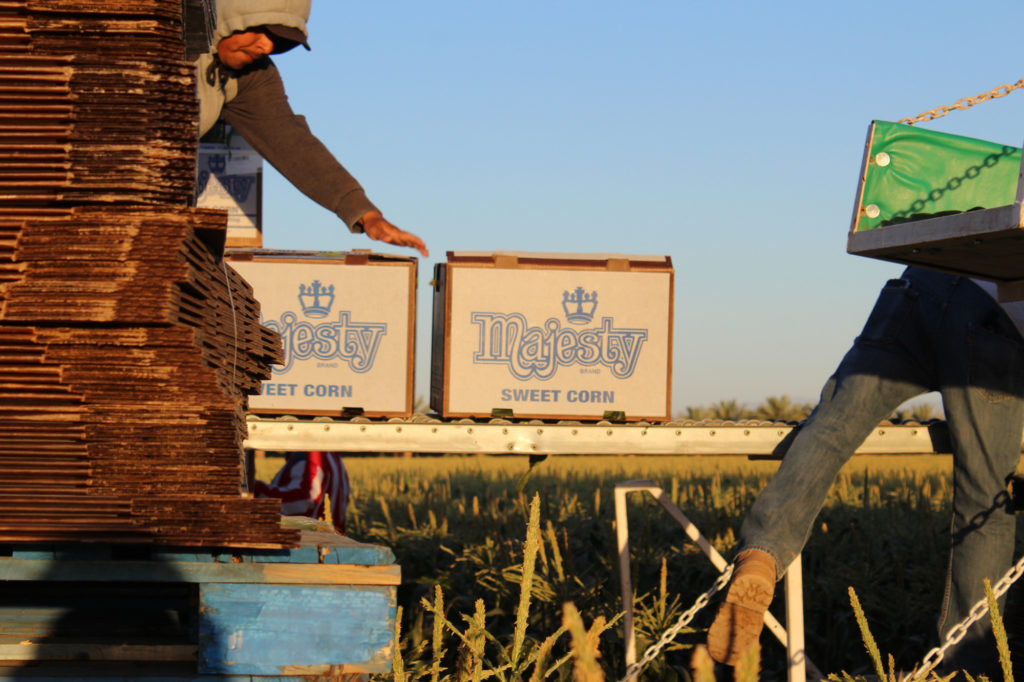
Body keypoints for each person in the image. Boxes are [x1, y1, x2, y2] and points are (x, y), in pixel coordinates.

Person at [706, 266, 1024, 676]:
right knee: (985, 504)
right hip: (997, 306)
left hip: (919, 284)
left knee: (829, 431)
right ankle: (968, 667)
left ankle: (762, 556)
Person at [195, 0, 428, 257]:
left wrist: (365, 213)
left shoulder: (251, 74)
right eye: (261, 30)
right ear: (228, 13)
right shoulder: (155, 35)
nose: (268, 46)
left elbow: (290, 143)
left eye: (277, 39)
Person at [254, 452, 351, 534]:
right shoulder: (333, 456)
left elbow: (303, 500)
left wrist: (256, 490)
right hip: (331, 546)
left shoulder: (309, 454)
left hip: (309, 547)